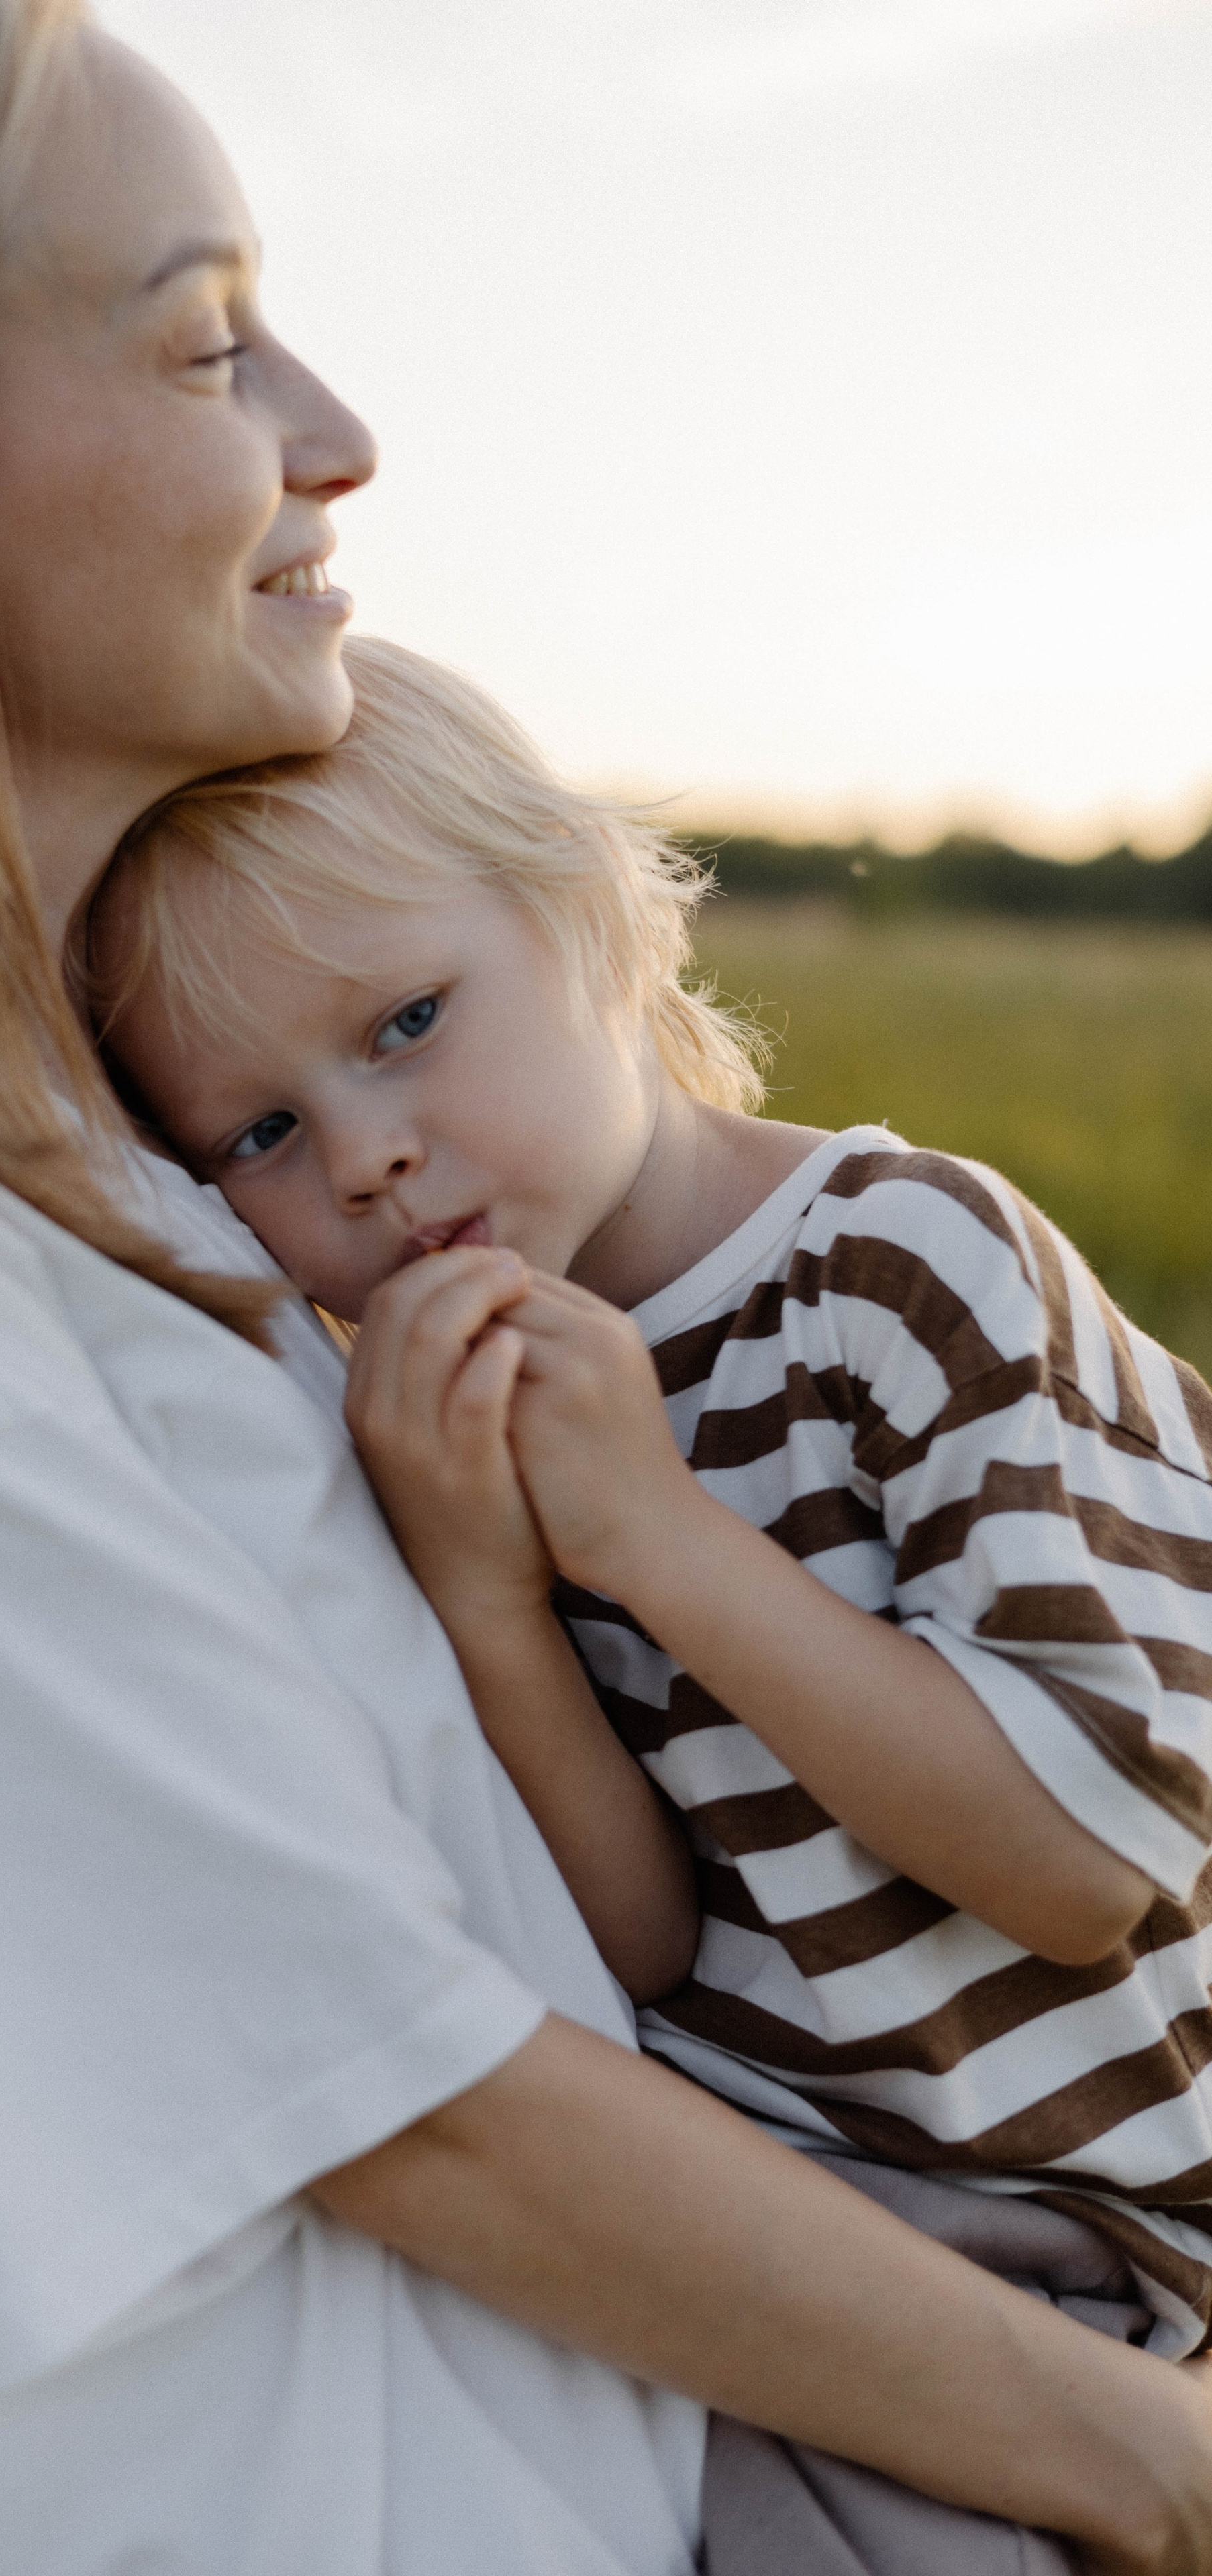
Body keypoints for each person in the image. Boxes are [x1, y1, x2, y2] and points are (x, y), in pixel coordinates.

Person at [0, 6, 1208, 2573]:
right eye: (209, 342)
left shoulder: (120, 1173)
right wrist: (1148, 2467)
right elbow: (390, 2087)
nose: (340, 432)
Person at [89, 633, 1212, 2544]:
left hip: (1074, 2230)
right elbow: (642, 1943)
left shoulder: (899, 1269)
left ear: (594, 918)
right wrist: (490, 1599)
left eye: (407, 1021)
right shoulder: (441, 1417)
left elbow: (1087, 1860)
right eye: (258, 1134)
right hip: (764, 2232)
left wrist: (650, 1537)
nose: (366, 1156)